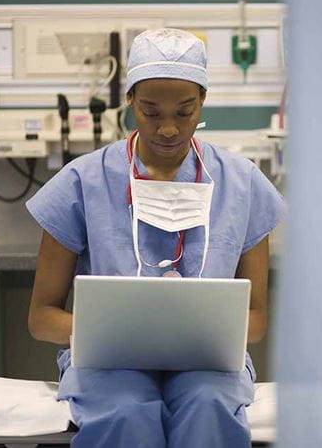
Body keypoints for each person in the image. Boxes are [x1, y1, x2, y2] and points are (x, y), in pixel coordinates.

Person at [25, 28, 285, 448]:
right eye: (150, 111)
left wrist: (193, 336)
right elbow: (41, 317)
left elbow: (254, 322)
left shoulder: (243, 185)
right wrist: (114, 334)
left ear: (202, 100)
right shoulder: (83, 182)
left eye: (184, 112)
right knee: (125, 411)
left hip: (208, 369)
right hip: (109, 366)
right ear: (129, 101)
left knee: (208, 404)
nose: (167, 129)